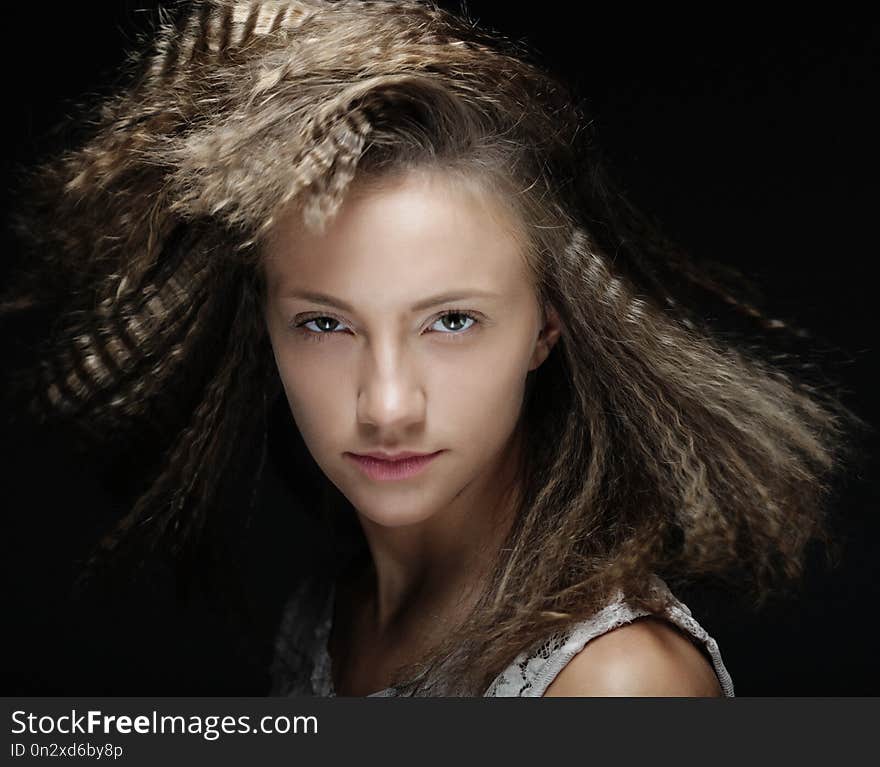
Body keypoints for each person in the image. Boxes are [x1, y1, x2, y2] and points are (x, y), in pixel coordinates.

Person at [1, 0, 863, 697]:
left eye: (451, 320)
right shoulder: (328, 617)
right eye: (326, 323)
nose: (385, 405)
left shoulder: (617, 685)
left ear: (547, 324)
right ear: (265, 324)